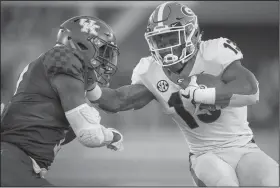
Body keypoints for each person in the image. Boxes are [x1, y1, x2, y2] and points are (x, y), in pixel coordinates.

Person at [86, 2, 279, 186]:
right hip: (205, 156)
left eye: (171, 38)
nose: (164, 46)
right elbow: (117, 101)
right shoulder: (151, 71)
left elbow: (250, 90)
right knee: (224, 183)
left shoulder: (215, 52)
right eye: (159, 39)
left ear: (191, 34)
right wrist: (88, 85)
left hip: (244, 149)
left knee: (272, 180)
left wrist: (202, 96)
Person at [1, 15, 124, 187]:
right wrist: (111, 135)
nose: (106, 59)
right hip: (12, 164)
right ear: (83, 45)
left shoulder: (60, 80)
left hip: (17, 165)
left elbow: (51, 133)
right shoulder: (63, 56)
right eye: (103, 51)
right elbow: (89, 135)